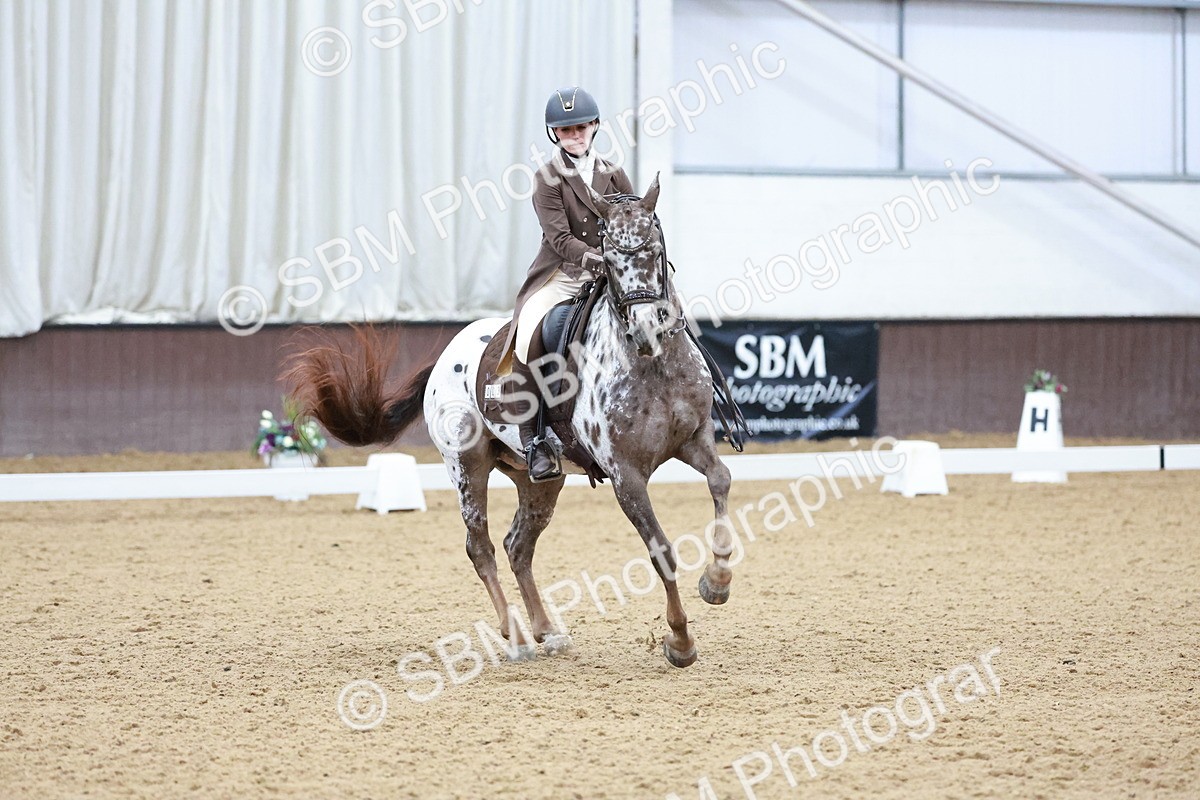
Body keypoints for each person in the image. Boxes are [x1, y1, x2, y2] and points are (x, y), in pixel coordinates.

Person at [496, 86, 634, 481]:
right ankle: (533, 439)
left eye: (581, 127)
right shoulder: (547, 178)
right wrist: (597, 259)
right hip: (561, 275)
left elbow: (627, 220)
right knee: (528, 333)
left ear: (594, 126)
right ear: (554, 134)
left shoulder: (614, 172)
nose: (575, 135)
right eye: (566, 130)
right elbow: (559, 239)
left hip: (611, 273)